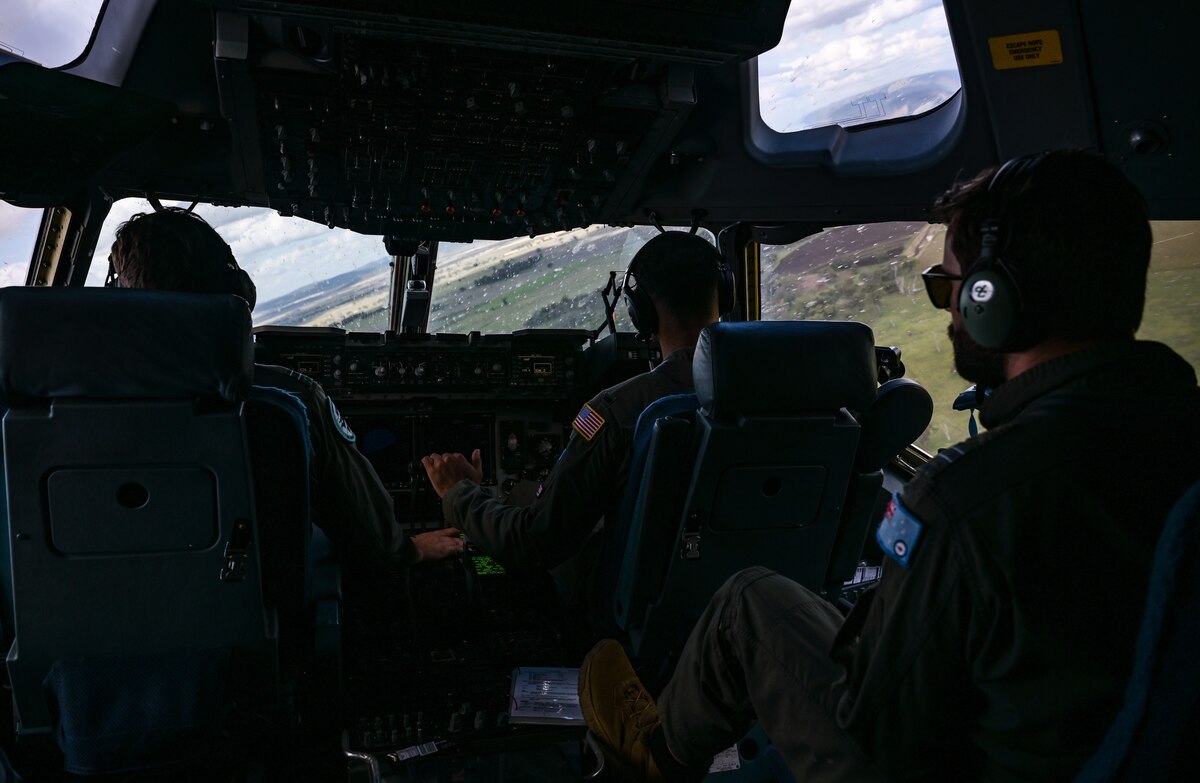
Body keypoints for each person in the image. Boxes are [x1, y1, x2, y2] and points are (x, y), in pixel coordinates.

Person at [577, 149, 1200, 782]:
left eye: (947, 287)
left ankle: (654, 761)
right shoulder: (1180, 438)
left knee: (746, 602)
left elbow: (882, 728)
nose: (947, 312)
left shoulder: (966, 500)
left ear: (992, 300)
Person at [108, 207, 463, 567]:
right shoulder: (289, 398)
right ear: (237, 290)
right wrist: (410, 548)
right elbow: (368, 537)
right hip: (268, 614)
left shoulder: (81, 413)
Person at [421, 231, 726, 610]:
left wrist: (459, 494)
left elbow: (533, 544)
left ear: (639, 311)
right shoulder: (779, 388)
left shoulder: (616, 410)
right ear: (725, 292)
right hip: (724, 594)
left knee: (488, 562)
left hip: (637, 614)